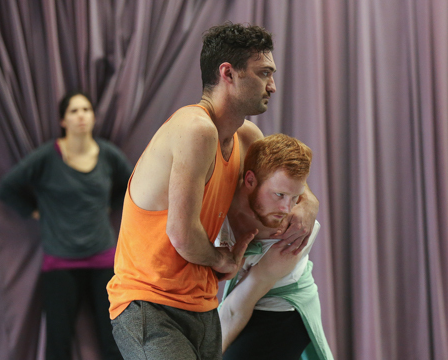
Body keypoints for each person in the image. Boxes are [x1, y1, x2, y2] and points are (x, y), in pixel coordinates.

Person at [106, 23, 319, 360]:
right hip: (150, 303)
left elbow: (286, 172)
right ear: (228, 73)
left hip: (202, 308)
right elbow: (182, 235)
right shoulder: (196, 129)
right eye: (264, 73)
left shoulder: (245, 135)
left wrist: (310, 202)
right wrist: (225, 259)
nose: (273, 85)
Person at [0, 91, 131, 360]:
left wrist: (110, 206)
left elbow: (132, 186)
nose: (81, 116)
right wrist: (34, 211)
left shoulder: (108, 155)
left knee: (114, 341)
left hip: (103, 261)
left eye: (86, 109)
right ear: (62, 120)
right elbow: (7, 188)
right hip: (60, 264)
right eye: (73, 111)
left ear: (93, 116)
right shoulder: (46, 157)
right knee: (58, 346)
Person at [217, 134, 334, 360]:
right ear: (249, 181)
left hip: (280, 316)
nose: (285, 208)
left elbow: (235, 310)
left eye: (295, 198)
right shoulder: (219, 194)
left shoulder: (292, 235)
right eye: (280, 194)